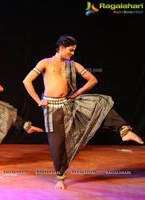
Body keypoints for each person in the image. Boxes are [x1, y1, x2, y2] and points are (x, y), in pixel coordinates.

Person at [22, 35, 144, 189]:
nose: (73, 53)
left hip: (69, 104)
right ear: (61, 47)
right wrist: (38, 101)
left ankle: (123, 130)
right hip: (51, 108)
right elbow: (27, 81)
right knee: (57, 144)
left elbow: (92, 80)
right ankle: (60, 176)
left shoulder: (73, 65)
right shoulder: (45, 62)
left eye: (74, 50)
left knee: (99, 104)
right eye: (71, 50)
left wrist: (77, 93)